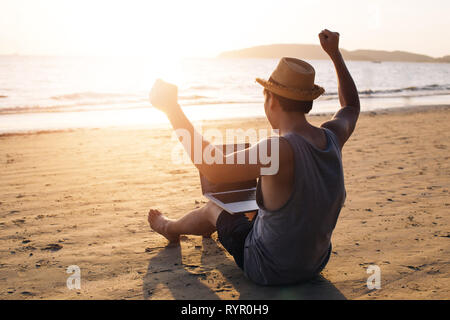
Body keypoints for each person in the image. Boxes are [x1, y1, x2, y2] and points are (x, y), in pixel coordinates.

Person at [147, 29, 360, 285]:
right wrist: (335, 54)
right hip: (314, 263)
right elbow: (350, 107)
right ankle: (203, 228)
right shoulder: (332, 137)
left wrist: (172, 108)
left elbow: (212, 167)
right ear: (307, 102)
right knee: (255, 207)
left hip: (269, 268)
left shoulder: (279, 149)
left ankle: (168, 227)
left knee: (215, 207)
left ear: (270, 100)